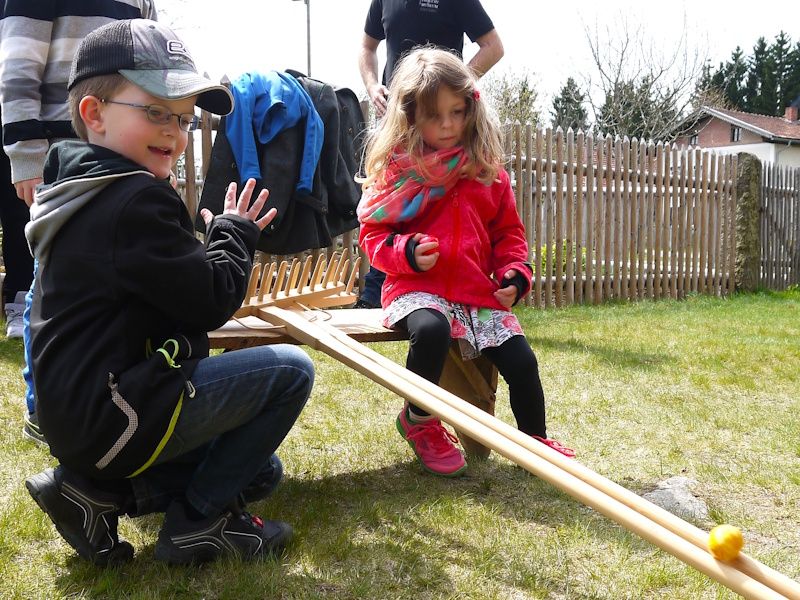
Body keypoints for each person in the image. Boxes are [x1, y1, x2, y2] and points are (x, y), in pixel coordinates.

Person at [24, 19, 315, 566]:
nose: (175, 134)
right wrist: (233, 233)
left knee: (261, 472)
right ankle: (198, 526)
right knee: (291, 371)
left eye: (182, 119)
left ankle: (93, 495)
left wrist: (200, 246)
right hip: (119, 412)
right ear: (95, 114)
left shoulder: (76, 192)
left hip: (82, 419)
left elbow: (157, 289)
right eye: (156, 112)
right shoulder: (135, 200)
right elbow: (209, 302)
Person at [357, 48, 574, 477]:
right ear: (411, 115)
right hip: (416, 289)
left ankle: (535, 442)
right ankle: (418, 420)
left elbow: (508, 234)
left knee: (522, 361)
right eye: (434, 115)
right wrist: (406, 253)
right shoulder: (401, 171)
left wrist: (516, 273)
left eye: (457, 112)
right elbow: (373, 237)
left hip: (476, 293)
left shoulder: (486, 172)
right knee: (432, 331)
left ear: (471, 107)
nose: (448, 125)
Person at [0, 0, 159, 442]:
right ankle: (41, 405)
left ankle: (98, 392)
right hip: (56, 147)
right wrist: (27, 155)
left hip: (118, 141)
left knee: (98, 276)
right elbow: (17, 64)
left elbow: (149, 61)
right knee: (48, 274)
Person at [355, 0, 505, 309]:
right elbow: (367, 47)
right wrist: (372, 86)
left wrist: (448, 92)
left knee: (437, 209)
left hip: (443, 131)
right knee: (387, 205)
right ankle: (375, 292)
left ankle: (445, 291)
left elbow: (493, 46)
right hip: (399, 126)